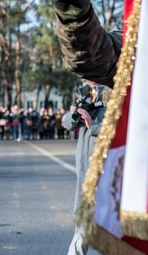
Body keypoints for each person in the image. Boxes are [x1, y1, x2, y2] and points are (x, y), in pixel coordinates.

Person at [62, 81, 107, 255]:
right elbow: (68, 123)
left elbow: (122, 127)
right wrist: (73, 113)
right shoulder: (85, 94)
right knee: (83, 217)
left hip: (104, 166)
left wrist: (93, 125)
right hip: (84, 165)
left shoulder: (114, 93)